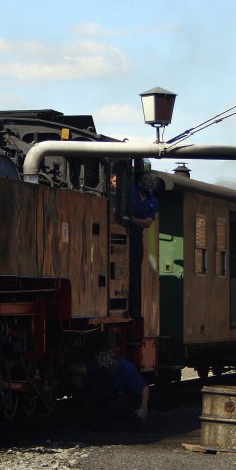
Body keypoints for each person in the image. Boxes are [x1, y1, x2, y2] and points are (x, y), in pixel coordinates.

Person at [123, 172, 159, 318]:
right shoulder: (131, 192)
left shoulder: (153, 201)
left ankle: (134, 308)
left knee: (136, 272)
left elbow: (148, 223)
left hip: (137, 236)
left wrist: (131, 220)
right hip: (127, 233)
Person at [86, 347, 150, 425]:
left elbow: (144, 389)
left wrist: (143, 408)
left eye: (110, 366)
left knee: (113, 407)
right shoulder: (104, 368)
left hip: (131, 396)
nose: (108, 368)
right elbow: (90, 370)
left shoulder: (127, 369)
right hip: (117, 394)